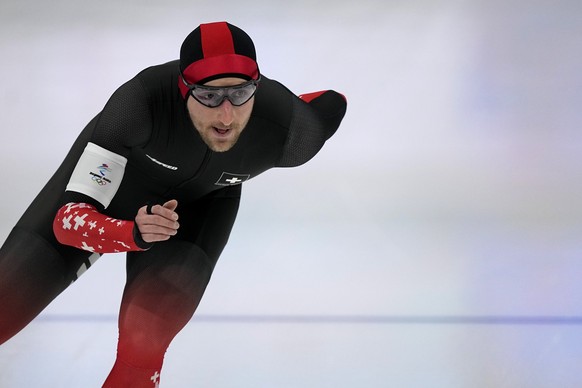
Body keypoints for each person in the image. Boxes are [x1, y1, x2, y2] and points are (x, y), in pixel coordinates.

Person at [0, 21, 347, 387]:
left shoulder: (291, 133)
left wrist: (288, 100)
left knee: (145, 337)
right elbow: (66, 222)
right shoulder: (137, 106)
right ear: (184, 90)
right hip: (113, 188)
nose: (226, 115)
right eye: (210, 97)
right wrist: (132, 232)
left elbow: (330, 103)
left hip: (199, 207)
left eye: (241, 94)